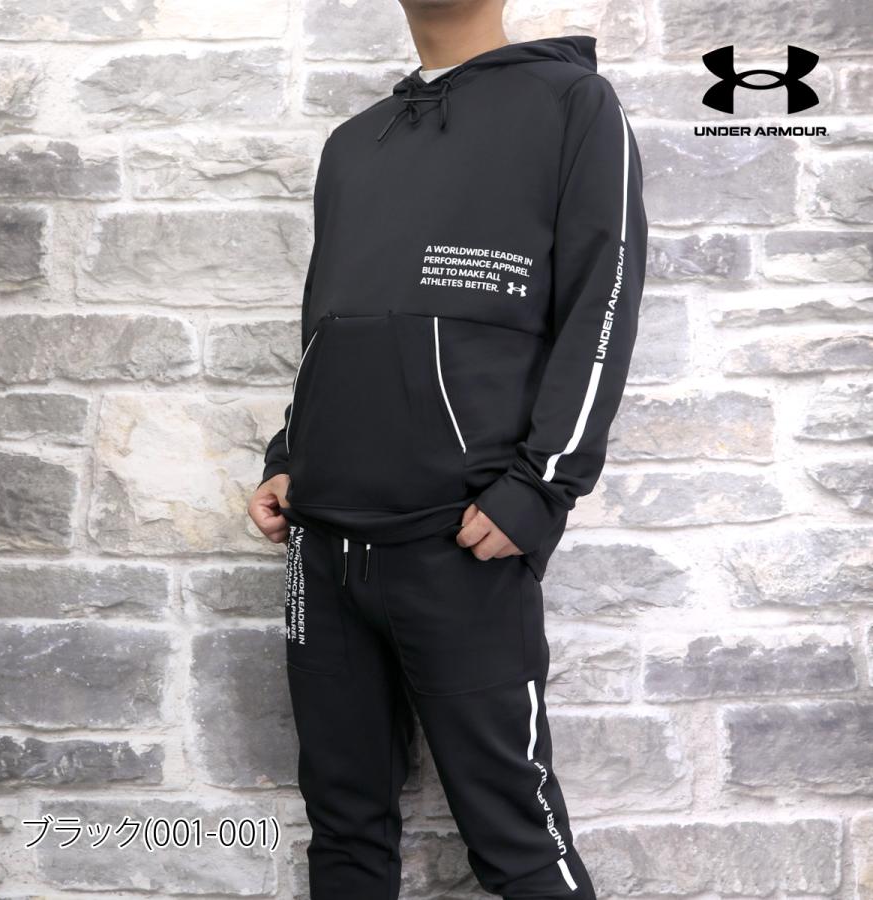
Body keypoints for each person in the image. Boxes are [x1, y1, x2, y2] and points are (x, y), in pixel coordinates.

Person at [247, 0, 647, 896]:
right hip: (321, 544)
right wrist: (288, 455)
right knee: (344, 832)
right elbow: (327, 326)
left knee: (517, 838)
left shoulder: (572, 105)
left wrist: (540, 488)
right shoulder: (354, 142)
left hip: (459, 542)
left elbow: (604, 303)